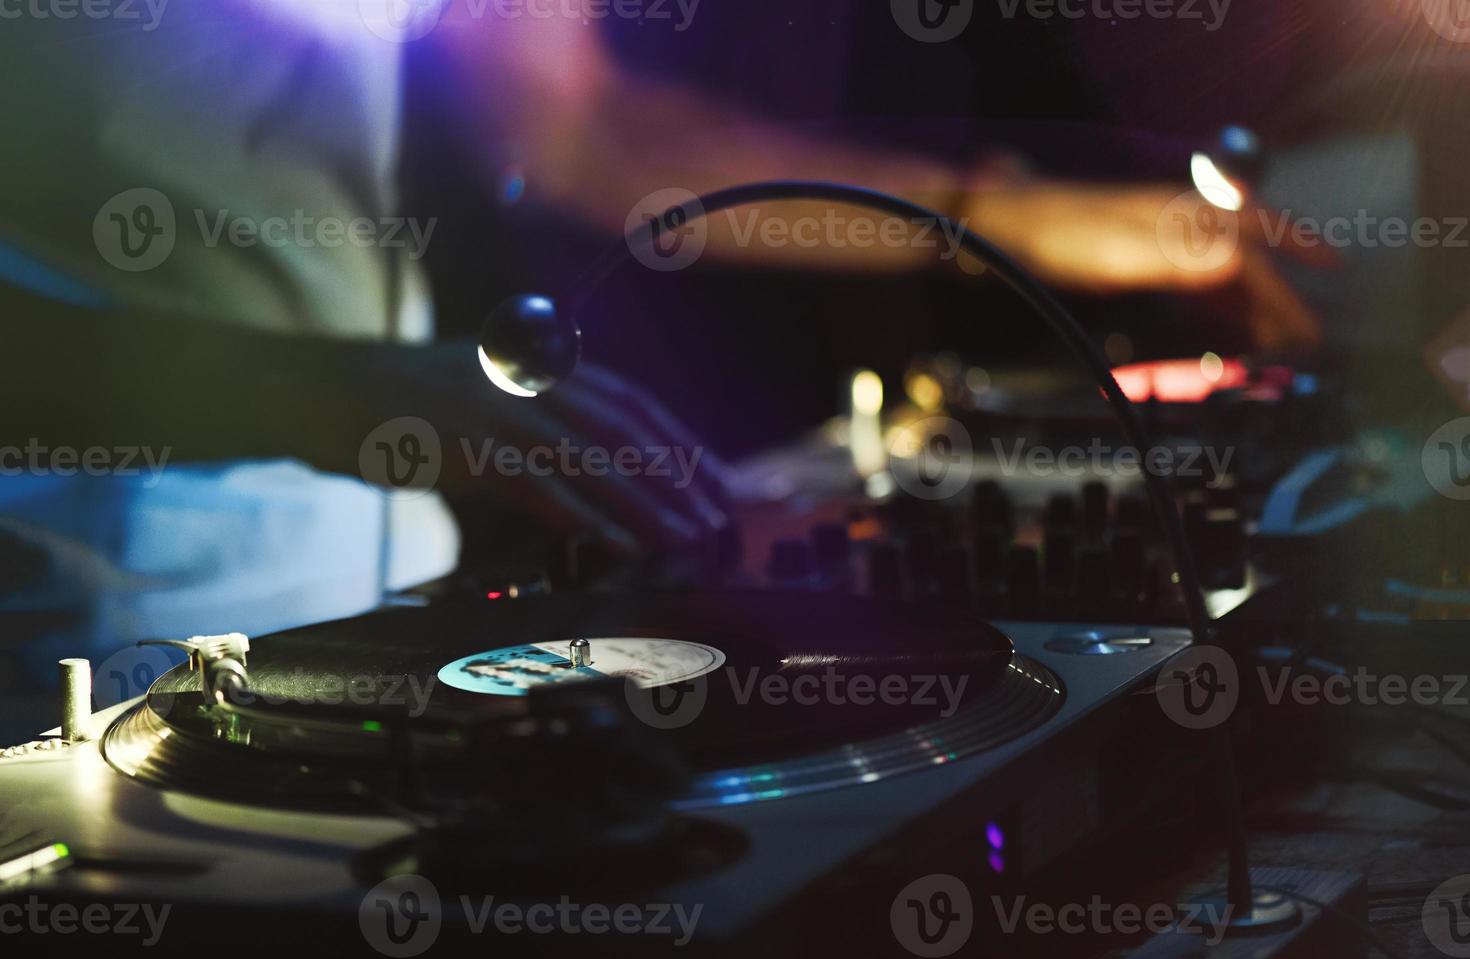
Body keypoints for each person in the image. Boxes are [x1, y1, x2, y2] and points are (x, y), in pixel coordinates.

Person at [0, 0, 1318, 701]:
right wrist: (323, 391)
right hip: (81, 606)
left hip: (372, 623)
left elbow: (578, 132)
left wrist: (1013, 215)